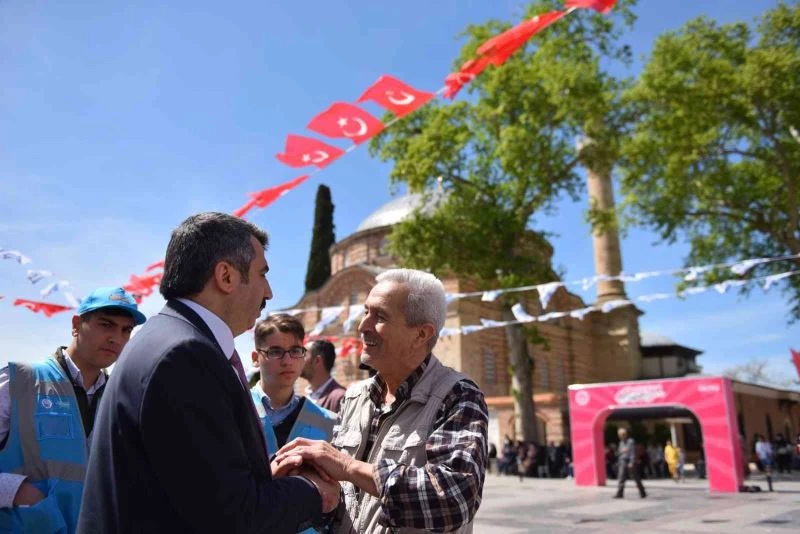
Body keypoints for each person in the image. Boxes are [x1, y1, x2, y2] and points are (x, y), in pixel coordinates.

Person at [77, 212, 339, 534]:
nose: (269, 292)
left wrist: (264, 476)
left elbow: (193, 482)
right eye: (262, 274)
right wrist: (314, 490)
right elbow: (231, 516)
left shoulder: (168, 339)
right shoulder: (186, 356)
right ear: (226, 276)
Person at [275, 268, 488, 533]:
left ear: (421, 334)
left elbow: (453, 498)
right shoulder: (355, 396)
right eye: (366, 312)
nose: (362, 326)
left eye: (380, 316)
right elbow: (343, 494)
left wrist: (347, 466)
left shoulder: (458, 395)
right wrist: (312, 479)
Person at [0, 287, 144, 533]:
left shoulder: (121, 399)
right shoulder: (19, 381)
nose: (116, 338)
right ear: (76, 325)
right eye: (106, 325)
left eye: (126, 330)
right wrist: (16, 490)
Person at [250, 314, 336, 455]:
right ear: (255, 358)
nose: (287, 361)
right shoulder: (237, 409)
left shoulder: (327, 422)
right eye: (275, 352)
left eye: (295, 351)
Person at [302, 339, 347, 412]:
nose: (299, 360)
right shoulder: (304, 396)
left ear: (317, 361)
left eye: (304, 355)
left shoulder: (340, 398)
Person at [614, 428, 646, 499]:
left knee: (636, 477)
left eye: (622, 434)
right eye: (620, 434)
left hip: (629, 461)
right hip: (623, 461)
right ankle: (619, 493)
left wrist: (631, 462)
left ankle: (642, 492)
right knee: (621, 477)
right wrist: (622, 451)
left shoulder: (631, 441)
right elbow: (619, 452)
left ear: (625, 434)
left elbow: (632, 452)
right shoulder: (621, 442)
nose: (621, 436)